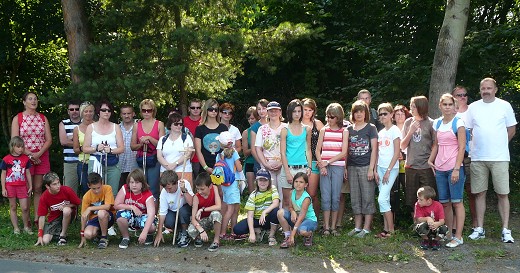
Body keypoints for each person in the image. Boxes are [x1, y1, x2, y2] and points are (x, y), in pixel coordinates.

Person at [465, 78, 516, 243]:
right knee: (479, 193)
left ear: (495, 89)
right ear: (480, 90)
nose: (485, 90)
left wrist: (500, 144)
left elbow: (512, 129)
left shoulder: (504, 105)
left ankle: (505, 230)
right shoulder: (473, 107)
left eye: (489, 88)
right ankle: (479, 228)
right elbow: (468, 130)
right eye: (483, 88)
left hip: (499, 157)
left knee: (503, 193)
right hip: (478, 157)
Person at [428, 93, 466, 248]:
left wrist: (457, 168)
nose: (448, 107)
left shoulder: (459, 123)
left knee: (457, 202)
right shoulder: (436, 123)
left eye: (450, 104)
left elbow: (462, 147)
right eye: (445, 104)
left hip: (454, 168)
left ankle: (458, 236)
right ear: (440, 106)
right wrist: (430, 160)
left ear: (454, 106)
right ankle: (448, 233)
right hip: (440, 168)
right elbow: (436, 145)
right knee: (445, 203)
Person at [11, 91, 52, 225]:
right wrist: (30, 154)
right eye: (30, 99)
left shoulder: (42, 117)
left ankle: (37, 217)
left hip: (41, 155)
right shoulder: (18, 118)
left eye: (35, 99)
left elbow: (49, 140)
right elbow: (15, 140)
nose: (33, 101)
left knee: (38, 187)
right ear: (24, 102)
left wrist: (38, 154)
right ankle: (26, 218)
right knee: (27, 187)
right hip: (23, 156)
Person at [346, 100, 378, 238]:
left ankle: (367, 228)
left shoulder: (371, 128)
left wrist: (371, 168)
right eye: (356, 112)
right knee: (355, 197)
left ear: (366, 113)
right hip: (352, 166)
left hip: (366, 166)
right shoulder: (349, 129)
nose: (359, 114)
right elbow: (346, 150)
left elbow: (375, 149)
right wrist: (346, 167)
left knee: (367, 196)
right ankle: (357, 227)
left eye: (361, 111)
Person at [315, 103, 348, 236]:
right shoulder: (324, 130)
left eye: (332, 117)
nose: (329, 119)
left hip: (338, 167)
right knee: (326, 197)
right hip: (324, 168)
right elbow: (318, 150)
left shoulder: (344, 131)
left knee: (336, 197)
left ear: (339, 117)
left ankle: (334, 226)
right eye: (327, 116)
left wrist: (327, 162)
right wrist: (322, 164)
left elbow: (343, 152)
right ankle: (326, 226)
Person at [401, 96, 436, 216]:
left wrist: (431, 161)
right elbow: (402, 145)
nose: (411, 108)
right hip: (411, 166)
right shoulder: (408, 122)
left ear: (421, 107)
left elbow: (436, 145)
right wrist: (410, 131)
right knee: (412, 199)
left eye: (414, 106)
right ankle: (417, 225)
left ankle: (430, 225)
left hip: (426, 167)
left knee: (428, 197)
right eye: (411, 106)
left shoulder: (431, 123)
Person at [83, 99, 125, 197]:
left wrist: (111, 150)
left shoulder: (116, 127)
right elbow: (85, 148)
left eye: (109, 110)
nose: (106, 112)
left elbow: (122, 148)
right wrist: (96, 148)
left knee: (112, 192)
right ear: (98, 112)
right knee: (96, 192)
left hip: (113, 162)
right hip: (96, 161)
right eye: (104, 110)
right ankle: (96, 212)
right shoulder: (91, 127)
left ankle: (110, 212)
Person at [452, 86, 477, 230]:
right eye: (459, 95)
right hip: (453, 158)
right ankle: (455, 224)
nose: (462, 97)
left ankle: (475, 223)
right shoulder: (450, 114)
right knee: (455, 193)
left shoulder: (474, 111)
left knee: (472, 191)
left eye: (465, 95)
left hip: (472, 157)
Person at [374, 103, 400, 238]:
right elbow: (378, 152)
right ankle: (385, 229)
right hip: (380, 167)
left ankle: (391, 230)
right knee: (386, 198)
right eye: (380, 114)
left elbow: (397, 152)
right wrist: (376, 170)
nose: (383, 116)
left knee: (382, 199)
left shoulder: (395, 130)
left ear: (391, 115)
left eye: (385, 113)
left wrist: (389, 170)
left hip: (392, 168)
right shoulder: (381, 132)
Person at [255, 101, 288, 208]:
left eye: (276, 110)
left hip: (284, 165)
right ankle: (270, 221)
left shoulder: (286, 127)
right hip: (267, 166)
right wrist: (265, 164)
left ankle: (282, 220)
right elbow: (258, 148)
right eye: (271, 111)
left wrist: (282, 163)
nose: (273, 113)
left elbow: (290, 148)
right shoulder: (262, 129)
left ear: (280, 112)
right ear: (267, 113)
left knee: (284, 194)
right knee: (269, 194)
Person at [232, 169, 280, 244]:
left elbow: (276, 203)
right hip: (257, 219)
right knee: (237, 229)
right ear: (256, 181)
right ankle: (257, 230)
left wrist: (264, 212)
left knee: (276, 211)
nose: (263, 183)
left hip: (268, 218)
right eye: (260, 180)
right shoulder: (253, 195)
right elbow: (250, 216)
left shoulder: (272, 188)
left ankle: (271, 235)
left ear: (269, 181)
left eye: (265, 180)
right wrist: (251, 233)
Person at [131, 99, 165, 201]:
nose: (146, 112)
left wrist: (150, 138)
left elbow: (162, 145)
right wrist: (141, 144)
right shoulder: (137, 125)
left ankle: (153, 214)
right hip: (141, 159)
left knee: (153, 189)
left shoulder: (159, 124)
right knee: (138, 186)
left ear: (153, 111)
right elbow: (132, 146)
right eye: (144, 110)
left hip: (154, 159)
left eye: (149, 110)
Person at [34, 172, 81, 246]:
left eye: (58, 183)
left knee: (66, 210)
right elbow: (42, 216)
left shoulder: (67, 190)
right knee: (45, 241)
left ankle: (63, 235)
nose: (58, 186)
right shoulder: (44, 197)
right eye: (54, 184)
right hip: (54, 219)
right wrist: (40, 235)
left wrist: (67, 205)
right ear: (47, 186)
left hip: (68, 214)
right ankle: (57, 233)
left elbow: (78, 203)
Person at [280, 99, 312, 209]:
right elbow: (282, 153)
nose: (297, 114)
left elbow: (308, 149)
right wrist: (288, 172)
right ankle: (285, 226)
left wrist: (309, 166)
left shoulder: (307, 129)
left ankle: (299, 225)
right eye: (294, 111)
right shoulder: (285, 129)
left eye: (299, 111)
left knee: (300, 200)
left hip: (302, 168)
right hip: (288, 168)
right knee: (287, 200)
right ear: (290, 112)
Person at [114, 168, 157, 248]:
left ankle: (148, 234)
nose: (134, 185)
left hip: (143, 216)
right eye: (132, 182)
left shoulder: (148, 194)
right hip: (130, 215)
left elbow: (151, 214)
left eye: (137, 182)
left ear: (142, 184)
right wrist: (132, 207)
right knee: (120, 216)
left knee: (151, 226)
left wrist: (144, 232)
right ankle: (126, 238)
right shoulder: (124, 189)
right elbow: (116, 205)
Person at [154, 170, 194, 248]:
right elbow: (162, 213)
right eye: (166, 188)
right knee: (168, 221)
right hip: (173, 212)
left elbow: (191, 203)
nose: (167, 191)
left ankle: (185, 233)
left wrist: (184, 190)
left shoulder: (184, 184)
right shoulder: (164, 193)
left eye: (169, 188)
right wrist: (159, 232)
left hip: (184, 210)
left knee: (183, 211)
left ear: (176, 183)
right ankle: (179, 230)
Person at [1, 136, 33, 234]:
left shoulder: (26, 159)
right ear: (13, 147)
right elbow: (3, 174)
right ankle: (16, 228)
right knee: (13, 206)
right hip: (10, 186)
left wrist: (30, 185)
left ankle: (26, 227)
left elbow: (27, 173)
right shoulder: (6, 159)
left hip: (22, 186)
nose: (21, 149)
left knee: (25, 207)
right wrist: (3, 188)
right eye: (18, 147)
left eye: (22, 147)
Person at [215, 131, 243, 240]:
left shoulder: (219, 155)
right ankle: (222, 232)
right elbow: (239, 168)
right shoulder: (234, 153)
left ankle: (233, 231)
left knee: (232, 207)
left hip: (224, 184)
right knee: (231, 210)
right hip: (233, 183)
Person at [277, 172, 318, 248]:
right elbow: (290, 207)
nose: (298, 184)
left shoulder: (306, 198)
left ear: (306, 185)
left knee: (302, 231)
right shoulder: (292, 192)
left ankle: (308, 235)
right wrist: (292, 212)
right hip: (297, 218)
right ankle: (287, 236)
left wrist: (293, 235)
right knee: (280, 212)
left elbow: (301, 217)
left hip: (309, 220)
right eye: (296, 181)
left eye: (301, 182)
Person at [77, 172, 116, 249]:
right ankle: (98, 234)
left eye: (99, 187)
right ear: (88, 186)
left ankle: (104, 238)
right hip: (94, 219)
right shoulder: (86, 197)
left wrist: (90, 208)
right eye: (94, 188)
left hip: (108, 216)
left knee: (101, 212)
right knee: (88, 234)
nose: (97, 191)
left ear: (102, 183)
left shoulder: (107, 188)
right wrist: (82, 236)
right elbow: (84, 216)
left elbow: (108, 206)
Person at [301, 98, 324, 219]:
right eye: (305, 109)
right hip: (299, 161)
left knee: (312, 194)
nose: (307, 112)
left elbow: (325, 142)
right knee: (300, 193)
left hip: (314, 161)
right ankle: (301, 218)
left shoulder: (318, 124)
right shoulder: (296, 124)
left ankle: (314, 218)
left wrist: (321, 159)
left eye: (310, 110)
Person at [187, 172, 222, 251]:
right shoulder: (196, 197)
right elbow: (193, 219)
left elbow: (219, 206)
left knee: (216, 213)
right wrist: (201, 230)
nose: (199, 191)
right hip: (201, 221)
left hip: (211, 218)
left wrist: (202, 209)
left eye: (202, 189)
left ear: (210, 186)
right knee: (191, 230)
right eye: (197, 189)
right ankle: (199, 237)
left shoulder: (214, 189)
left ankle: (216, 241)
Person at [195, 99, 228, 175]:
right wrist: (205, 167)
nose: (213, 111)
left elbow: (226, 148)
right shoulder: (200, 128)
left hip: (221, 166)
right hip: (205, 168)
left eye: (216, 110)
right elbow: (198, 150)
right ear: (206, 110)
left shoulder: (223, 128)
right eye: (211, 109)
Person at [157, 113, 194, 182]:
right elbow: (159, 156)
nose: (179, 126)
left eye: (181, 124)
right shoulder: (162, 139)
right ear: (170, 125)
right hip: (165, 172)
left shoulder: (186, 137)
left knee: (184, 191)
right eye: (176, 124)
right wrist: (168, 167)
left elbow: (188, 154)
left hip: (183, 171)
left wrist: (175, 164)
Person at [391, 105, 411, 225]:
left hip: (407, 164)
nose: (400, 116)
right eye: (397, 114)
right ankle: (393, 221)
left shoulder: (409, 128)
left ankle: (412, 218)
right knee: (393, 192)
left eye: (402, 113)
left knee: (409, 190)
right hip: (393, 165)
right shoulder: (391, 128)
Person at [413, 186, 448, 250]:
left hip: (435, 227)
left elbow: (442, 221)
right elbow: (419, 219)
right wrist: (427, 218)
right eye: (418, 198)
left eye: (421, 199)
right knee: (419, 226)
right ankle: (426, 240)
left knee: (444, 228)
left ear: (429, 200)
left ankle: (436, 241)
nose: (418, 201)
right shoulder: (417, 205)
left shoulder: (438, 205)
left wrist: (436, 224)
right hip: (425, 227)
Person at [58, 100, 82, 195]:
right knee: (69, 192)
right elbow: (63, 141)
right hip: (70, 162)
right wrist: (80, 142)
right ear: (68, 111)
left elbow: (91, 142)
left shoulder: (87, 123)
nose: (74, 111)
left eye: (77, 109)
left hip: (86, 161)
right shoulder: (63, 123)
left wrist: (72, 138)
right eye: (71, 109)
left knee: (88, 190)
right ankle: (71, 211)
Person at [72, 101, 95, 195]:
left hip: (96, 161)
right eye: (86, 111)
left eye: (90, 111)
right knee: (85, 189)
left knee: (97, 188)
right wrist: (84, 148)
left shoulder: (97, 126)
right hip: (83, 162)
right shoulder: (77, 129)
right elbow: (76, 149)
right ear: (82, 113)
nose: (88, 114)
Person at [118, 104, 138, 190]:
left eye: (129, 113)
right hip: (120, 165)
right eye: (124, 113)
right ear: (121, 115)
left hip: (134, 164)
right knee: (120, 190)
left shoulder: (139, 126)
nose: (126, 116)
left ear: (133, 114)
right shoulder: (116, 128)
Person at [242, 106, 260, 194]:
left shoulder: (263, 129)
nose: (251, 121)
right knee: (252, 193)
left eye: (253, 118)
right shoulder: (246, 132)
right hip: (250, 162)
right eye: (249, 119)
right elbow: (245, 152)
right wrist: (255, 147)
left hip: (263, 162)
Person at [183, 99, 203, 176]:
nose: (195, 109)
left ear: (201, 109)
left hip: (201, 158)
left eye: (198, 107)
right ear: (189, 109)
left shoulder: (204, 121)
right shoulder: (182, 122)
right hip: (186, 157)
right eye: (193, 107)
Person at [249, 99, 269, 173]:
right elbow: (253, 150)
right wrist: (262, 163)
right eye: (259, 109)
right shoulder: (255, 127)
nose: (261, 111)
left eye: (264, 108)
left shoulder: (275, 124)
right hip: (260, 164)